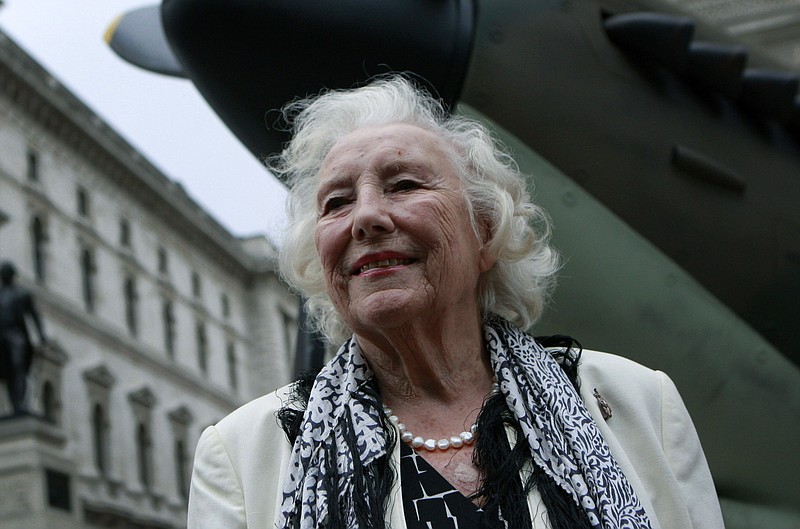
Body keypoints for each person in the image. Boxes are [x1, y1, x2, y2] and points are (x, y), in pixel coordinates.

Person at [188, 76, 724, 529]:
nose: (366, 217)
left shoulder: (640, 405)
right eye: (337, 202)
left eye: (402, 185)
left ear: (485, 232)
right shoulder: (241, 455)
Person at [0, 261, 46, 415]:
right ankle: (14, 407)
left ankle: (20, 404)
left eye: (6, 273)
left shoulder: (22, 294)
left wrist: (42, 336)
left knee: (18, 367)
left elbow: (34, 316)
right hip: (2, 336)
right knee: (6, 371)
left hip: (17, 334)